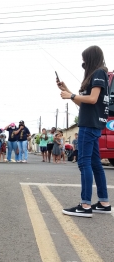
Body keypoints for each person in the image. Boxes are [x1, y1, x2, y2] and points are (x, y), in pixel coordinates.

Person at [58, 45, 111, 217]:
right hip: (93, 123)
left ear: (91, 59)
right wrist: (68, 92)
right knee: (95, 163)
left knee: (84, 162)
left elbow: (93, 98)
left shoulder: (98, 73)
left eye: (84, 60)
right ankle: (103, 202)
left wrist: (71, 96)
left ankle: (85, 205)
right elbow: (85, 103)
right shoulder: (101, 74)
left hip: (89, 125)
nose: (83, 63)